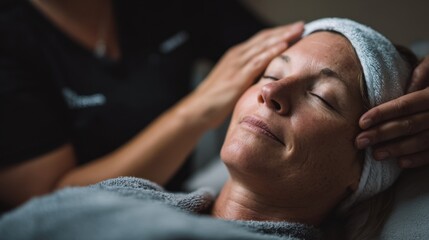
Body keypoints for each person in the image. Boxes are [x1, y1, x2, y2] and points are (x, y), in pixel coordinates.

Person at [0, 18, 419, 240]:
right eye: (270, 73)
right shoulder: (127, 193)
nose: (272, 92)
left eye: (325, 97)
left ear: (363, 169)